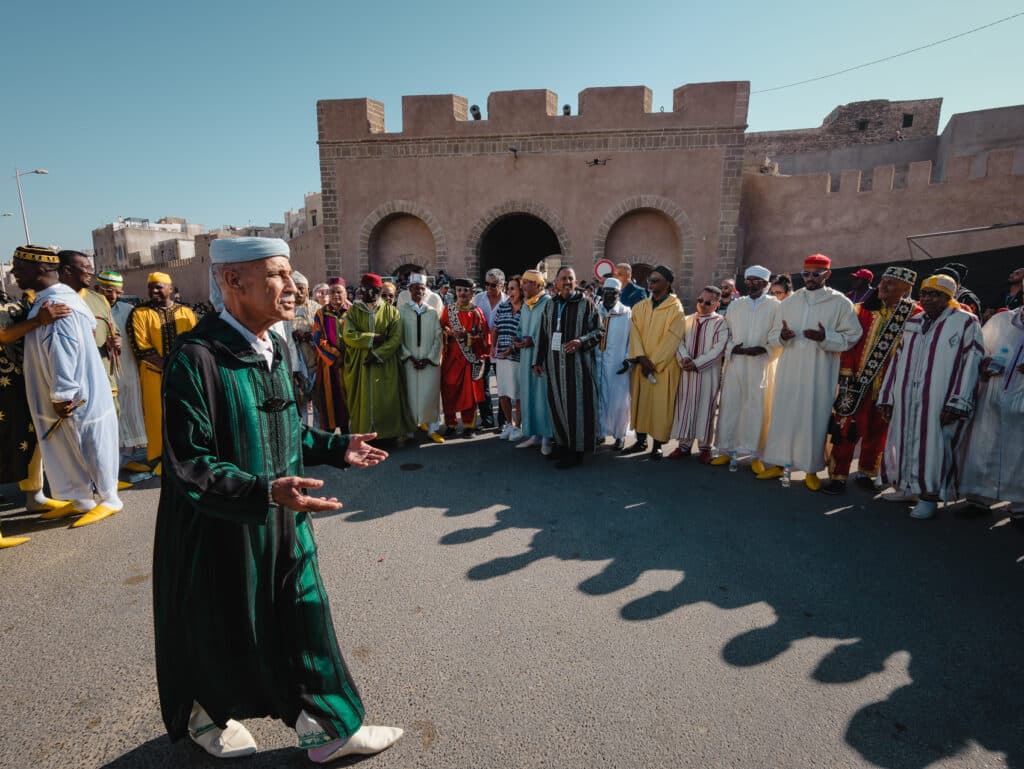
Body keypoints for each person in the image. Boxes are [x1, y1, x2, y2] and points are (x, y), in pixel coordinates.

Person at [153, 236, 402, 763]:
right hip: (218, 531)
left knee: (304, 612)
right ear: (231, 281)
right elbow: (188, 463)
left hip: (287, 520)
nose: (293, 287)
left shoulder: (278, 347)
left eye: (292, 275)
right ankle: (205, 715)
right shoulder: (195, 359)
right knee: (221, 626)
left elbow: (287, 430)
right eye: (278, 275)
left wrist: (337, 447)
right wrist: (263, 491)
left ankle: (329, 726)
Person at [11, 244, 123, 527]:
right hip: (56, 394)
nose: (14, 274)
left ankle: (109, 498)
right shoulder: (48, 300)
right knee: (66, 448)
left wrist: (63, 393)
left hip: (74, 394)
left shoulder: (61, 304)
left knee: (90, 444)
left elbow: (65, 350)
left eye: (19, 268)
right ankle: (80, 498)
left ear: (39, 269)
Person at [878, 274, 984, 519]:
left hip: (940, 397)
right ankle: (906, 487)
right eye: (924, 294)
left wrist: (958, 401)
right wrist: (887, 395)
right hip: (906, 395)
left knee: (933, 447)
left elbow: (972, 362)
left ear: (949, 298)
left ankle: (928, 496)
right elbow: (897, 359)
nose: (927, 299)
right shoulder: (914, 321)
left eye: (935, 294)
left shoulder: (965, 322)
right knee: (903, 438)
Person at [758, 255, 861, 490]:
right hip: (790, 369)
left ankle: (810, 469)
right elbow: (773, 335)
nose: (810, 278)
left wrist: (826, 338)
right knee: (783, 416)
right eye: (806, 274)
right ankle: (776, 463)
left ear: (828, 275)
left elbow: (852, 336)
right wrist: (782, 337)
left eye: (816, 274)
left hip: (819, 372)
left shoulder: (840, 303)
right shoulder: (789, 303)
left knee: (812, 418)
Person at [824, 267, 920, 494]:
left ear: (905, 289)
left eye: (890, 283)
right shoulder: (863, 311)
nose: (882, 287)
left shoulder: (916, 315)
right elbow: (850, 345)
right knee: (846, 429)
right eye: (882, 282)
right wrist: (846, 374)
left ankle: (868, 472)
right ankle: (838, 476)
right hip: (857, 381)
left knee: (879, 430)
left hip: (890, 385)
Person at [710, 266, 781, 471]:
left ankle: (755, 455)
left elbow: (777, 335)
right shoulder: (736, 305)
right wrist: (733, 348)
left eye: (756, 281)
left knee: (757, 408)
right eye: (748, 280)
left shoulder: (775, 306)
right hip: (736, 364)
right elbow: (726, 332)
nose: (751, 284)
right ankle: (726, 449)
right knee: (731, 405)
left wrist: (764, 349)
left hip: (761, 365)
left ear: (766, 285)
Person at [958, 302, 1024, 522]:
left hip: (1021, 399)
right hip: (992, 394)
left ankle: (1019, 506)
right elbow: (981, 349)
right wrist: (985, 363)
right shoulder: (1002, 321)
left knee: (1020, 454)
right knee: (984, 446)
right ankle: (979, 499)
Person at [128, 271, 198, 474]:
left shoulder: (187, 312)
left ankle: (186, 455)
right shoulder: (139, 313)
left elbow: (194, 341)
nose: (153, 291)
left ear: (170, 289)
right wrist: (169, 366)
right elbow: (142, 347)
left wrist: (185, 367)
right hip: (153, 375)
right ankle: (161, 460)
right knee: (157, 416)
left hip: (184, 374)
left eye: (158, 286)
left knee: (186, 414)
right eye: (151, 287)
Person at [534, 267, 604, 468]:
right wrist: (538, 361)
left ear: (575, 282)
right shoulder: (550, 305)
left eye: (570, 279)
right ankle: (563, 444)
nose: (567, 282)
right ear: (555, 283)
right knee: (557, 406)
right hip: (554, 368)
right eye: (563, 278)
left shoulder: (586, 304)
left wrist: (581, 341)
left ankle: (577, 451)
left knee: (577, 409)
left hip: (578, 369)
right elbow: (543, 335)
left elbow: (600, 331)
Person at [624, 265, 687, 459]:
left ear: (667, 283)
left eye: (656, 280)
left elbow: (673, 338)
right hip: (642, 364)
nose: (650, 283)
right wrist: (642, 358)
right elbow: (634, 332)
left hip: (663, 367)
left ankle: (657, 444)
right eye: (650, 280)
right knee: (641, 403)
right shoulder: (640, 307)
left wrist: (653, 363)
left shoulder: (675, 308)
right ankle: (640, 440)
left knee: (660, 406)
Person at [342, 274, 413, 441]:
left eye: (367, 290)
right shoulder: (354, 311)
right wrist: (372, 337)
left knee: (389, 398)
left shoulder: (392, 312)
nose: (362, 293)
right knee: (364, 400)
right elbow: (348, 335)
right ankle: (366, 435)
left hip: (386, 363)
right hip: (362, 364)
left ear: (377, 291)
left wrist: (377, 355)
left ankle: (391, 434)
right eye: (361, 290)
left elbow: (396, 339)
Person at [96, 271, 149, 473]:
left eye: (117, 292)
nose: (113, 296)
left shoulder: (129, 310)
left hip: (128, 371)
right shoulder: (88, 310)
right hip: (103, 375)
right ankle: (109, 466)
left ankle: (126, 459)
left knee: (130, 412)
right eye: (108, 291)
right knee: (109, 418)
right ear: (97, 289)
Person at [669, 286, 729, 462]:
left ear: (716, 304)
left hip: (707, 373)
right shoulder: (687, 320)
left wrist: (697, 363)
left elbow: (719, 349)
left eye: (708, 302)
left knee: (707, 407)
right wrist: (684, 359)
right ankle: (684, 446)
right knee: (685, 407)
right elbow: (677, 341)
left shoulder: (721, 322)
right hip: (686, 372)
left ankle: (705, 447)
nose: (702, 304)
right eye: (700, 300)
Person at [398, 273, 444, 443]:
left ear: (426, 291)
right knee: (409, 395)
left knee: (430, 394)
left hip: (429, 362)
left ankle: (433, 429)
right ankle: (409, 431)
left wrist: (429, 358)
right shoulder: (401, 311)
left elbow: (438, 337)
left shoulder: (432, 312)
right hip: (409, 361)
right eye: (416, 288)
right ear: (409, 289)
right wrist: (409, 357)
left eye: (422, 289)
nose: (419, 291)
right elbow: (398, 338)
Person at [440, 278, 489, 435]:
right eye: (459, 290)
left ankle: (469, 425)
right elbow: (440, 329)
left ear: (472, 293)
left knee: (469, 395)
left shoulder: (476, 312)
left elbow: (484, 337)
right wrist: (448, 333)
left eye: (466, 290)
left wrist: (467, 336)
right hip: (451, 359)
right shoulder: (448, 310)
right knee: (449, 392)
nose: (462, 293)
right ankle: (451, 425)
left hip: (469, 359)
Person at [514, 269, 554, 453]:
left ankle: (547, 437)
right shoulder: (525, 305)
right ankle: (534, 435)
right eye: (523, 282)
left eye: (527, 283)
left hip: (541, 358)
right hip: (525, 356)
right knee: (529, 395)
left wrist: (534, 340)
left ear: (537, 285)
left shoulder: (549, 303)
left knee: (542, 397)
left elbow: (551, 330)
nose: (523, 286)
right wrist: (519, 338)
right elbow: (522, 327)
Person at [594, 277, 632, 450]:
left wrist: (628, 358)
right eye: (607, 292)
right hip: (598, 363)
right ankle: (600, 433)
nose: (610, 296)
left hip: (618, 365)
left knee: (619, 402)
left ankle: (620, 435)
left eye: (614, 293)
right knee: (599, 399)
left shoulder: (627, 314)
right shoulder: (595, 312)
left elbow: (633, 340)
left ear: (619, 293)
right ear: (602, 292)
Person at [313, 277, 350, 432]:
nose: (336, 296)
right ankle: (330, 440)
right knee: (330, 403)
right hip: (329, 366)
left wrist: (347, 356)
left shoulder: (353, 312)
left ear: (345, 293)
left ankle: (349, 436)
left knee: (349, 401)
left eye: (339, 292)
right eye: (332, 292)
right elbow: (317, 339)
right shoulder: (321, 314)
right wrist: (335, 356)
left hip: (350, 364)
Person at [472, 268, 507, 429]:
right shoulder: (478, 299)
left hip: (501, 350)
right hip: (482, 349)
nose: (489, 288)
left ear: (502, 285)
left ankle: (503, 420)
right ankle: (487, 420)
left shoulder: (507, 302)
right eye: (486, 284)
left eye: (493, 285)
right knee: (482, 384)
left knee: (503, 386)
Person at [492, 275, 524, 442]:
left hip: (518, 357)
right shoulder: (503, 307)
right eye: (508, 288)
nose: (509, 292)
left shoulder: (526, 309)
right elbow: (496, 328)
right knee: (503, 392)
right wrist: (493, 347)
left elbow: (526, 334)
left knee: (518, 394)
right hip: (501, 356)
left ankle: (518, 427)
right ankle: (509, 424)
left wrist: (511, 349)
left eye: (513, 288)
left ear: (521, 290)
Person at [289, 271, 321, 426]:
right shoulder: (284, 309)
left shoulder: (317, 309)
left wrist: (310, 336)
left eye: (302, 288)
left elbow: (323, 333)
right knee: (298, 404)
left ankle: (317, 435)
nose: (299, 292)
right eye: (296, 288)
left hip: (314, 362)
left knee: (317, 404)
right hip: (294, 367)